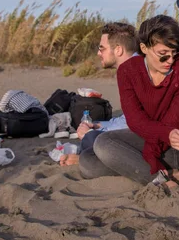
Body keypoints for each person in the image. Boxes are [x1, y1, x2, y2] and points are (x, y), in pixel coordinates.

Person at [79, 15, 179, 193]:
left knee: (103, 142)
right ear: (144, 48)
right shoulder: (127, 71)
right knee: (87, 162)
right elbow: (135, 121)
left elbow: (174, 120)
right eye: (163, 55)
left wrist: (154, 151)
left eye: (174, 52)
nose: (171, 60)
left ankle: (160, 180)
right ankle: (163, 171)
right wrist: (151, 154)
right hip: (148, 136)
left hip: (174, 143)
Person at [59, 22, 138, 166]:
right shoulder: (131, 68)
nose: (98, 53)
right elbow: (130, 117)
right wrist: (98, 125)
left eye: (102, 48)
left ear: (118, 50)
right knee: (92, 135)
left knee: (92, 140)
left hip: (151, 137)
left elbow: (136, 123)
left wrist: (96, 131)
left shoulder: (134, 71)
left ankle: (87, 157)